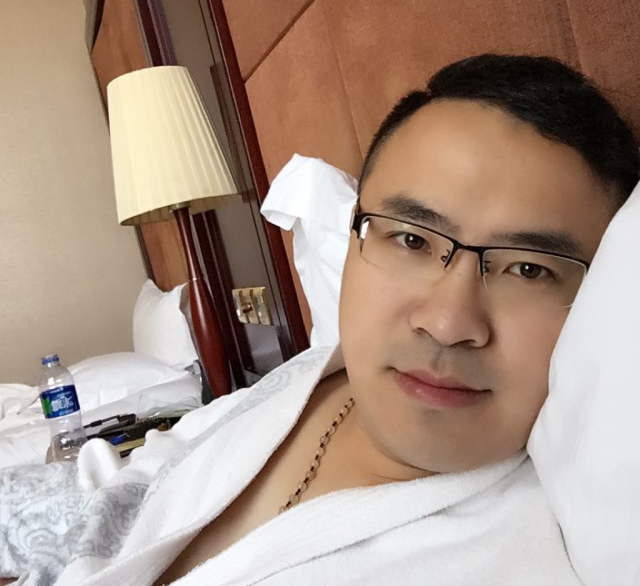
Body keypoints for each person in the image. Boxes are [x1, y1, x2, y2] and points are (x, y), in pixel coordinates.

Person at [1, 54, 638, 586]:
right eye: (411, 239)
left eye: (528, 269)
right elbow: (153, 468)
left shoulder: (511, 563)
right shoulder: (316, 375)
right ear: (355, 234)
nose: (447, 323)